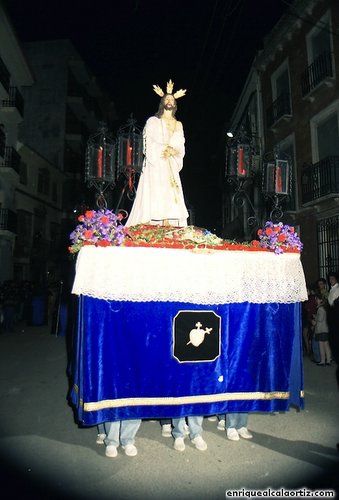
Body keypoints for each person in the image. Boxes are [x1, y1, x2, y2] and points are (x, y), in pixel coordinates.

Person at [125, 79, 189, 227]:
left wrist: (173, 150)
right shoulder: (153, 121)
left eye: (172, 99)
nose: (169, 101)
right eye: (166, 99)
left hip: (170, 162)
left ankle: (168, 220)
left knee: (170, 191)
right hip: (157, 161)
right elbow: (148, 140)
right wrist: (163, 149)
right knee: (155, 189)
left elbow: (180, 143)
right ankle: (151, 219)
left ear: (175, 104)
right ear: (162, 102)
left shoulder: (178, 124)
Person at [312, 294, 332, 366]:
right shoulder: (325, 308)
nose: (316, 301)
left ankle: (323, 361)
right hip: (325, 329)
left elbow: (320, 319)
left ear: (320, 300)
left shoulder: (320, 309)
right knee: (326, 345)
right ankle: (328, 360)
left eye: (317, 299)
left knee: (321, 346)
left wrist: (315, 318)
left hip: (321, 330)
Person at [327, 272, 339, 365]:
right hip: (332, 315)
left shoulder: (337, 289)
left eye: (333, 279)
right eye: (330, 279)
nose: (331, 280)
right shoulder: (331, 289)